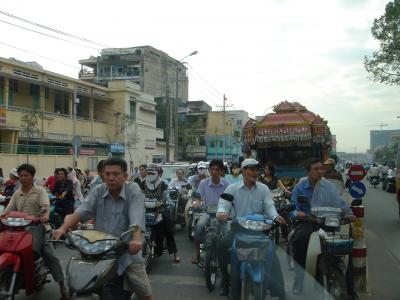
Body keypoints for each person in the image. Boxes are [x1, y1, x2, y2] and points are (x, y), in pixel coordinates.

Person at [53, 158, 154, 300]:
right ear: (102, 175)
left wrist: (136, 240)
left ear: (125, 175)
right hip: (99, 251)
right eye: (107, 174)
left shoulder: (133, 190)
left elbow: (136, 216)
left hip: (127, 252)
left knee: (144, 292)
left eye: (116, 174)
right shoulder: (98, 190)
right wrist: (62, 229)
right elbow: (82, 211)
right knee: (79, 283)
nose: (111, 178)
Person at [216, 158, 286, 299]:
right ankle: (226, 280)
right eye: (251, 169)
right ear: (243, 171)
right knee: (222, 246)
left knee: (274, 259)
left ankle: (279, 293)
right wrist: (222, 213)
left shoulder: (263, 189)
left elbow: (269, 206)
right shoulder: (232, 188)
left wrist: (276, 217)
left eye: (257, 169)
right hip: (238, 229)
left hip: (260, 230)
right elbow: (223, 204)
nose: (255, 172)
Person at [290, 158, 354, 295]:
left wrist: (348, 213)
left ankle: (351, 289)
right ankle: (299, 280)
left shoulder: (328, 187)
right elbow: (293, 207)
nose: (320, 171)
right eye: (316, 169)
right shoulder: (299, 187)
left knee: (346, 245)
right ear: (308, 171)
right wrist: (297, 213)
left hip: (328, 223)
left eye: (321, 169)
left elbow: (340, 202)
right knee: (300, 241)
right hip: (309, 222)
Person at [3, 164, 68, 300]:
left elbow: (45, 206)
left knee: (48, 254)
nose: (23, 178)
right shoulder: (17, 193)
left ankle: (63, 287)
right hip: (19, 229)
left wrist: (44, 216)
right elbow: (8, 210)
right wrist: (4, 215)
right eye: (21, 175)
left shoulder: (39, 191)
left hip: (38, 227)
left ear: (32, 177)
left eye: (26, 175)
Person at [191, 159, 230, 264]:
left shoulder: (227, 184)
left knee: (228, 233)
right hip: (207, 212)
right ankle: (197, 251)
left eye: (217, 169)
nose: (214, 172)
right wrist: (197, 203)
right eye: (212, 169)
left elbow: (231, 200)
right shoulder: (204, 183)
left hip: (222, 214)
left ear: (221, 171)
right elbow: (199, 198)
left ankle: (227, 255)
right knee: (199, 227)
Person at [143, 164, 180, 262]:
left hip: (160, 210)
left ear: (158, 173)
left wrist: (165, 203)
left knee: (168, 229)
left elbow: (166, 198)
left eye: (153, 173)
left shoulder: (163, 184)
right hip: (146, 210)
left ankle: (175, 252)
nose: (150, 175)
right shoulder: (143, 183)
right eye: (148, 173)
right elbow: (139, 195)